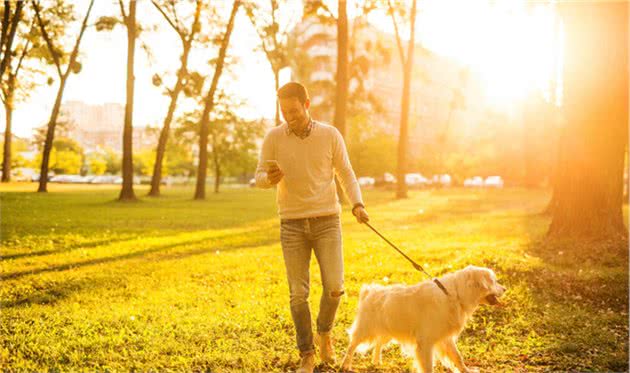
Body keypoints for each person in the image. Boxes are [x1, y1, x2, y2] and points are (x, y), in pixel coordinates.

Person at [255, 82, 369, 373]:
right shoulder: (274, 138)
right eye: (284, 111)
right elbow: (258, 177)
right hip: (291, 223)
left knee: (334, 286)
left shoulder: (329, 135)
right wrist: (270, 178)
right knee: (298, 293)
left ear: (307, 105)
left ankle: (324, 333)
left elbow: (345, 172)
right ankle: (307, 352)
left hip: (326, 220)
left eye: (294, 110)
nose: (288, 117)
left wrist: (357, 203)